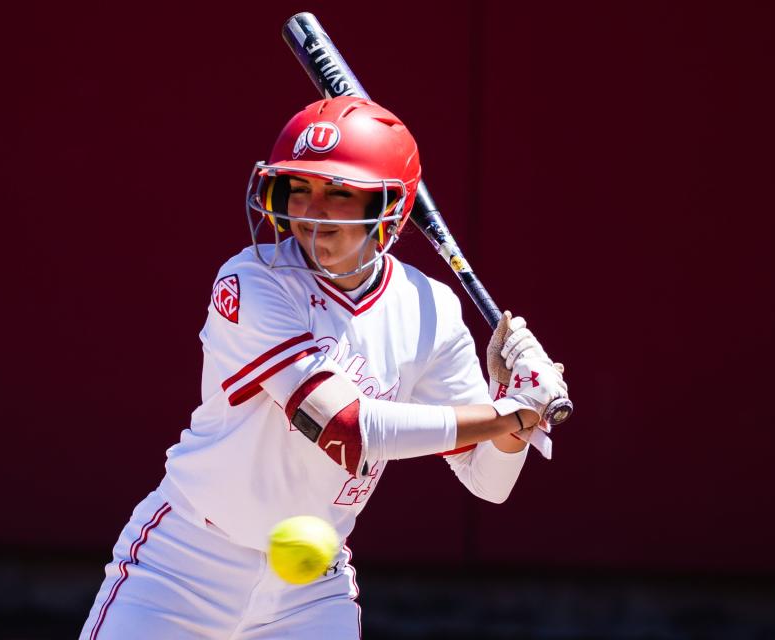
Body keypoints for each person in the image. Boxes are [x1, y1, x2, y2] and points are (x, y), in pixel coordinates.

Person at [79, 96, 569, 639]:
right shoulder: (252, 281)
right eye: (301, 189)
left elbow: (487, 480)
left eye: (340, 192)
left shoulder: (429, 308)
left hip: (311, 591)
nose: (314, 212)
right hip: (184, 565)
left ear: (389, 206)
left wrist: (517, 412)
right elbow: (344, 429)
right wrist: (508, 414)